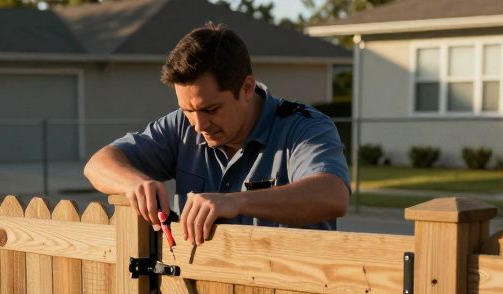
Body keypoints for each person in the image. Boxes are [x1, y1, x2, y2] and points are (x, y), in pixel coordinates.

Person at [83, 23, 350, 245]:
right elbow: (98, 164)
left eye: (210, 109)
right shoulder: (181, 126)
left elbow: (332, 195)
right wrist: (136, 184)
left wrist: (237, 202)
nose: (198, 125)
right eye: (187, 110)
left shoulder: (304, 127)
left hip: (288, 289)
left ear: (247, 88)